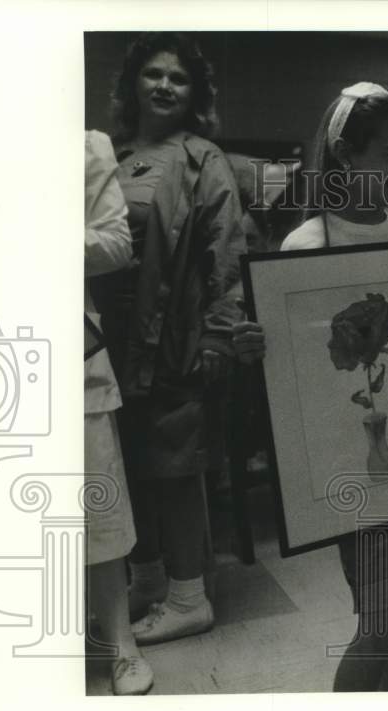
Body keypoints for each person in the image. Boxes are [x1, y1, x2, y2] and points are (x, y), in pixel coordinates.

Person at [232, 82, 388, 692]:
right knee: (382, 621)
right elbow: (296, 376)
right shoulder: (302, 247)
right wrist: (259, 348)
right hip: (351, 465)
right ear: (344, 152)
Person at [89, 32, 245, 646]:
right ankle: (149, 580)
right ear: (132, 85)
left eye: (177, 79)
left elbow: (226, 252)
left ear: (194, 94)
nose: (163, 86)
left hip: (175, 333)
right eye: (152, 75)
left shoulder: (204, 159)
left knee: (175, 467)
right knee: (126, 465)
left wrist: (219, 334)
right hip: (109, 337)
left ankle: (189, 596)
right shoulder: (111, 154)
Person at [84, 129, 154, 694]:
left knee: (95, 493)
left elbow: (114, 244)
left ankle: (119, 641)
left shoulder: (85, 145)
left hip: (66, 344)